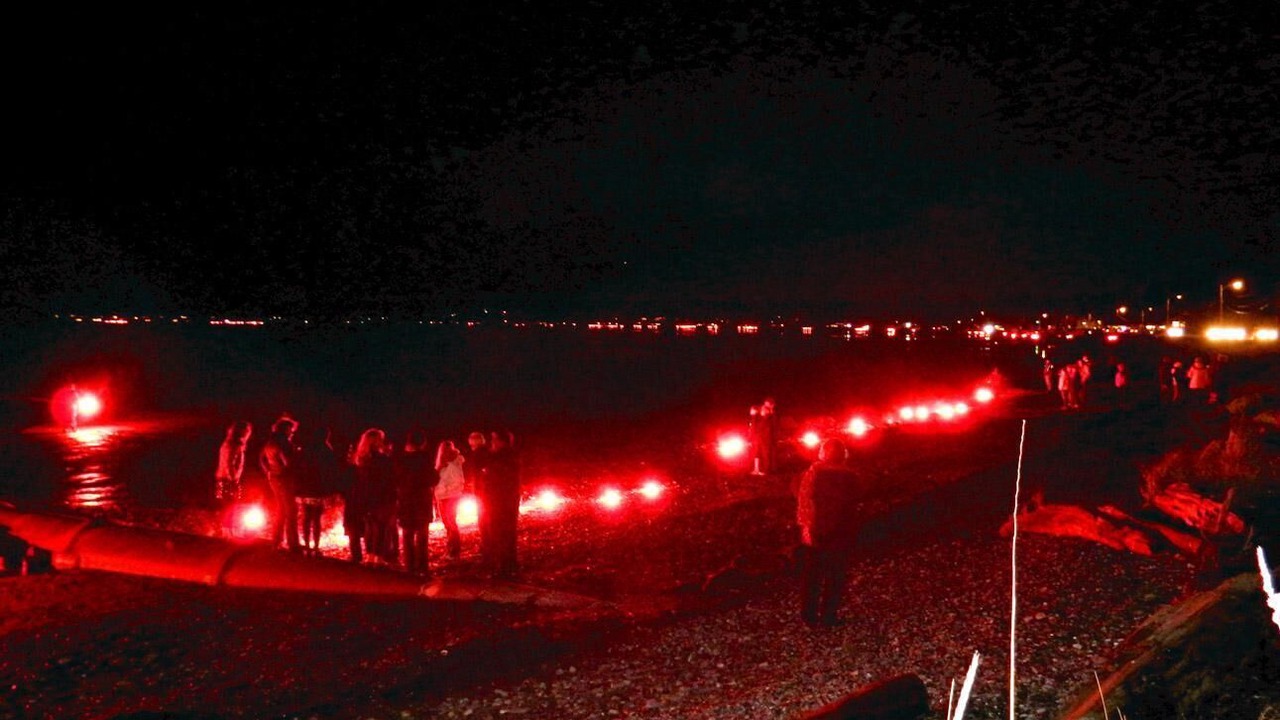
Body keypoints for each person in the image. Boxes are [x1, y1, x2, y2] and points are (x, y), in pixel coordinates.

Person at [795, 438, 877, 628]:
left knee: (812, 576)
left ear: (823, 454)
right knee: (835, 576)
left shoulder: (813, 473)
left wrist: (805, 527)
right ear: (843, 455)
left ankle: (809, 616)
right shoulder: (851, 477)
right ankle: (828, 616)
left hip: (817, 531)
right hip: (841, 532)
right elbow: (858, 501)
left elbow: (804, 501)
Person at [394, 429, 438, 577]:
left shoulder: (401, 459)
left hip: (406, 499)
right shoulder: (424, 458)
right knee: (422, 533)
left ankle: (409, 566)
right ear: (422, 443)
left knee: (407, 533)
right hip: (421, 499)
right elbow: (433, 477)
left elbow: (396, 479)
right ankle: (422, 566)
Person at [350, 427, 397, 565]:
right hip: (383, 497)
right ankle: (379, 556)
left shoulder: (360, 460)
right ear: (377, 442)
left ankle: (370, 555)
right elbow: (390, 478)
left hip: (366, 498)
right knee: (382, 527)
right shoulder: (383, 460)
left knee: (370, 526)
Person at [479, 429, 521, 579]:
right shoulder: (504, 457)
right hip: (501, 501)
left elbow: (497, 479)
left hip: (501, 502)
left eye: (495, 439)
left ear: (502, 441)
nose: (492, 442)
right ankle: (507, 564)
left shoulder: (504, 458)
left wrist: (488, 470)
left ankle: (504, 566)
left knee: (501, 533)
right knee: (504, 533)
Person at [259, 416, 301, 552]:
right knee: (291, 511)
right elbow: (287, 462)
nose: (292, 432)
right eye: (291, 429)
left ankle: (276, 541)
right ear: (285, 429)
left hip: (275, 479)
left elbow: (262, 459)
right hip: (284, 479)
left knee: (281, 510)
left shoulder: (270, 442)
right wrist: (296, 454)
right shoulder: (283, 443)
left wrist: (269, 472)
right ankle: (293, 544)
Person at [215, 420, 253, 537]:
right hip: (228, 479)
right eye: (246, 431)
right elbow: (228, 463)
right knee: (229, 506)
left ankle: (227, 530)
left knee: (229, 506)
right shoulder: (232, 445)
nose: (248, 433)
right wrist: (234, 479)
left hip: (226, 478)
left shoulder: (232, 444)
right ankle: (227, 532)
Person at [434, 439, 467, 559]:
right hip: (443, 496)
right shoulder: (442, 464)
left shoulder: (454, 463)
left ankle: (454, 551)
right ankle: (450, 549)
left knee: (451, 523)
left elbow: (459, 481)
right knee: (447, 524)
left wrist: (444, 489)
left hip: (450, 496)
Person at [752, 397, 779, 475]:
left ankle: (766, 470)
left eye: (767, 406)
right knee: (757, 453)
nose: (764, 407)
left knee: (766, 454)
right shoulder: (760, 414)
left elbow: (773, 426)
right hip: (759, 436)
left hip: (766, 437)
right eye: (764, 405)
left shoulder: (772, 415)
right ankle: (756, 469)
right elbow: (755, 425)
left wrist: (767, 415)